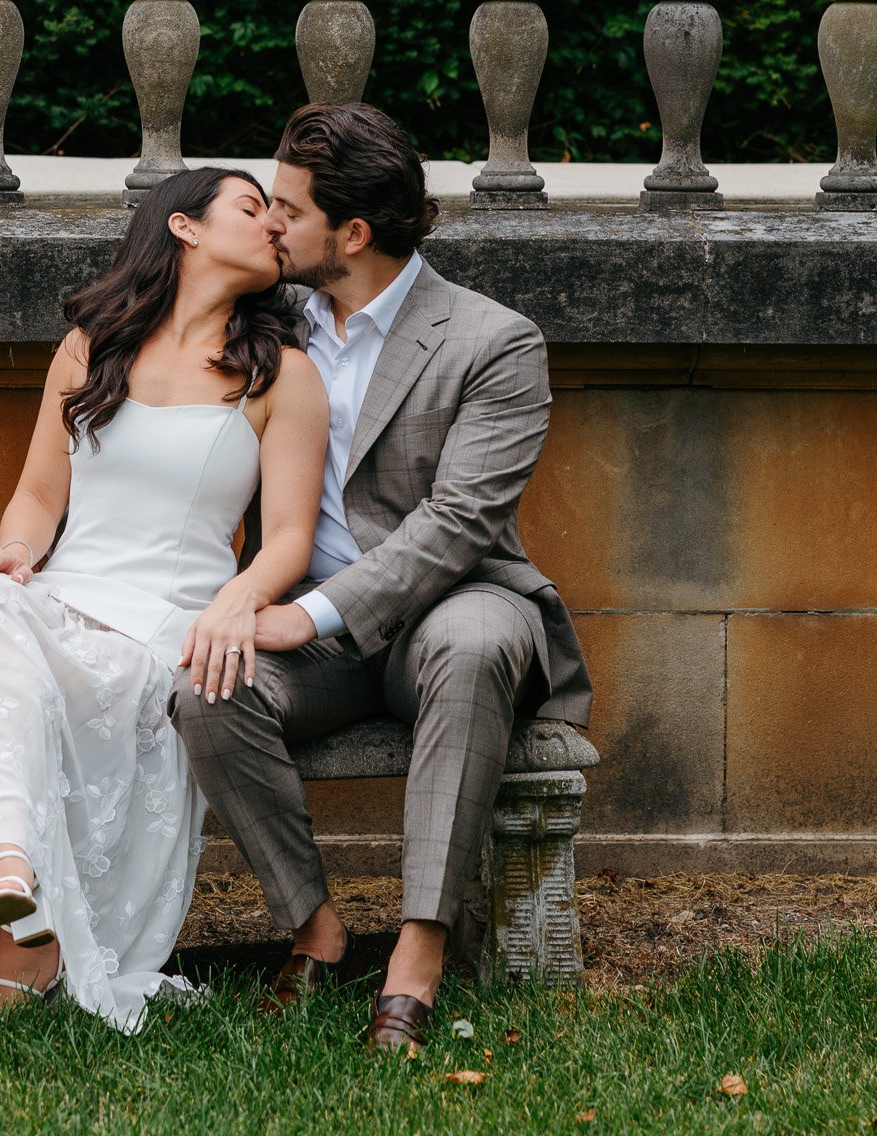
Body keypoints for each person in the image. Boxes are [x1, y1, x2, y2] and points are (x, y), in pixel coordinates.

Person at [171, 104, 592, 1058]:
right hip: (307, 624)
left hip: (454, 599)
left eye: (286, 208)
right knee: (206, 687)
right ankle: (315, 929)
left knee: (477, 641)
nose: (267, 223)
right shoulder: (266, 324)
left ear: (351, 234)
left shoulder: (493, 341)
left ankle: (416, 954)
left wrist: (305, 614)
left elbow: (459, 525)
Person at [0, 166, 327, 1032]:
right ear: (184, 228)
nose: (274, 224)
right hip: (59, 601)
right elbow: (39, 498)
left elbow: (287, 541)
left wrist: (239, 600)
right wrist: (14, 552)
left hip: (166, 625)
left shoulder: (282, 376)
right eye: (251, 208)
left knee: (2, 662)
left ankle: (23, 906)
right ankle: (9, 861)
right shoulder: (92, 346)